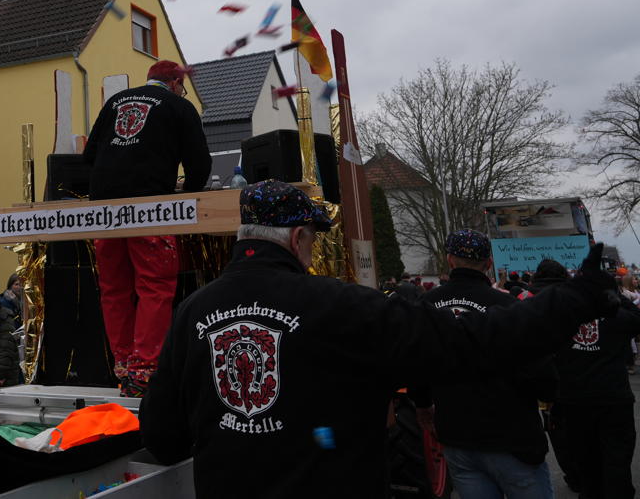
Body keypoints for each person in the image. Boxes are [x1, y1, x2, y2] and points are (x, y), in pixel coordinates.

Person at [139, 179, 618, 499]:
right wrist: (575, 297)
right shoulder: (338, 305)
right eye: (313, 242)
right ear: (297, 237)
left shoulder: (191, 313)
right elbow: (474, 341)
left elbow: (163, 435)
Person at [83, 59, 212, 395]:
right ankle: (144, 372)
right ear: (174, 83)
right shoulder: (179, 106)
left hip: (104, 210)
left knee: (114, 288)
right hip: (150, 208)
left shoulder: (115, 102)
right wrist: (190, 194)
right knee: (154, 286)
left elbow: (88, 157)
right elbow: (199, 163)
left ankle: (124, 364)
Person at [410, 229, 557, 499]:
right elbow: (539, 372)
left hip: (458, 436)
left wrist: (422, 402)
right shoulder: (508, 305)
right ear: (488, 264)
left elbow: (416, 360)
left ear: (450, 260)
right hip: (510, 437)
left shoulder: (426, 305)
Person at [553, 268, 640, 499]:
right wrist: (616, 295)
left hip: (575, 401)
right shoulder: (617, 314)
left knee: (586, 460)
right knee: (617, 459)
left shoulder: (561, 315)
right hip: (612, 399)